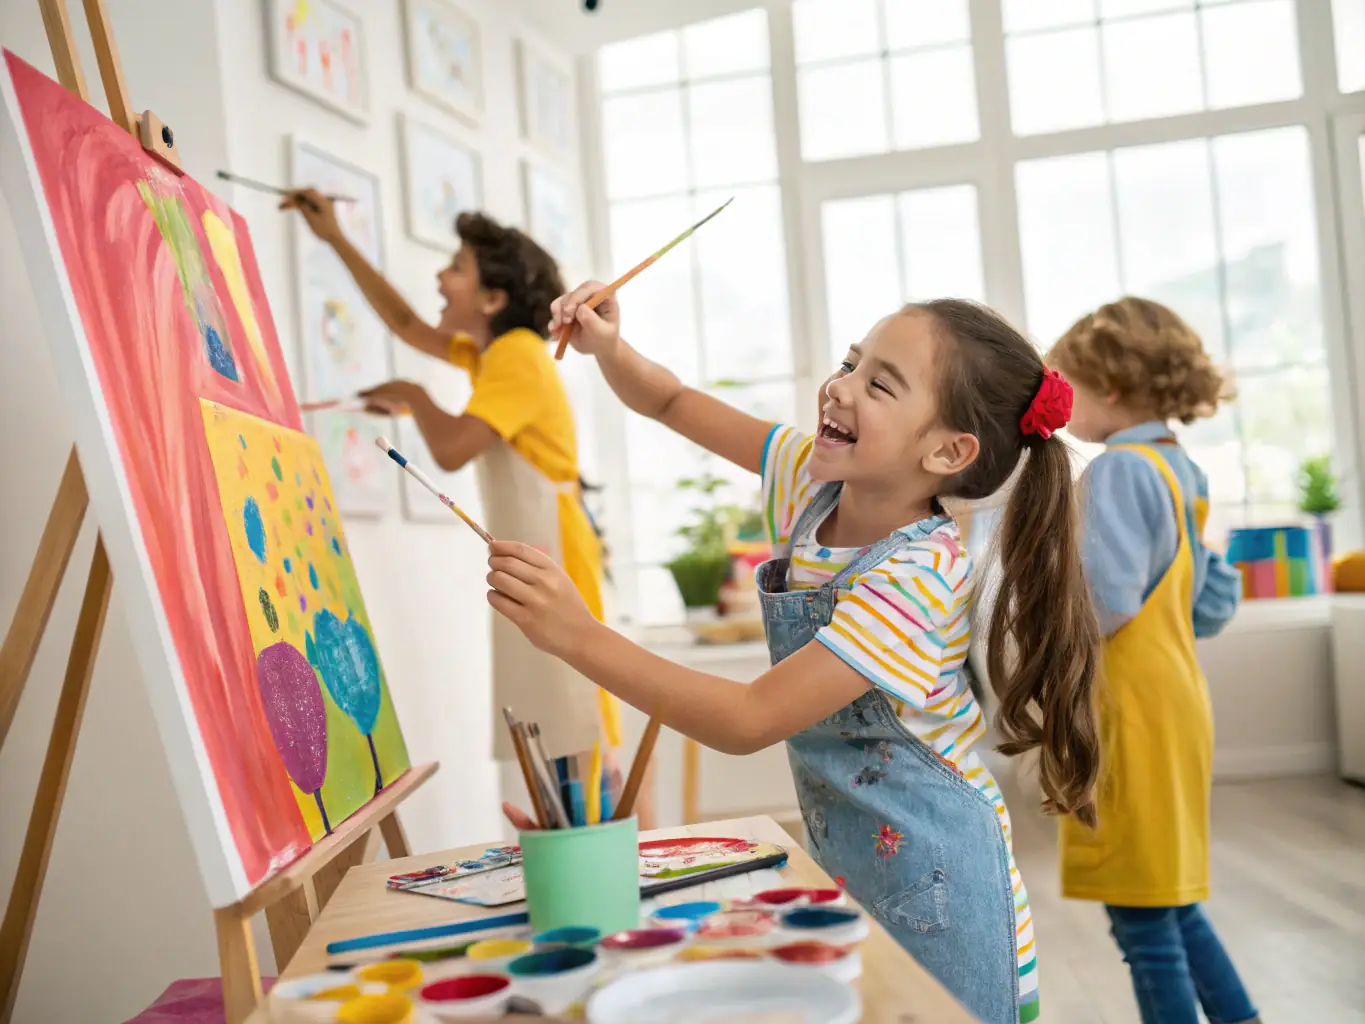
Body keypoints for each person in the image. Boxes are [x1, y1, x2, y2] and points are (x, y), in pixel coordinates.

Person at [487, 285, 1106, 1023]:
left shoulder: (916, 575)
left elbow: (750, 719)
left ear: (947, 451)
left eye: (878, 383)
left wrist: (577, 635)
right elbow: (672, 402)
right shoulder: (808, 478)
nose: (838, 386)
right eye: (851, 361)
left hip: (941, 885)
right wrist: (609, 349)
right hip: (850, 856)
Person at [281, 193, 649, 827]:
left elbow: (450, 450)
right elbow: (404, 322)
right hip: (536, 548)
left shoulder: (516, 358)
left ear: (492, 299)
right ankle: (595, 861)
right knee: (558, 721)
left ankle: (618, 863)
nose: (439, 277)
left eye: (456, 267)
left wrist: (415, 396)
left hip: (555, 550)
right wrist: (335, 236)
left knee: (577, 721)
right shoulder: (490, 352)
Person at [1048, 298, 1257, 1024]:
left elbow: (1103, 603)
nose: (1059, 399)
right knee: (1168, 901)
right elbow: (1209, 609)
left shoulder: (1114, 473)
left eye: (1065, 382)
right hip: (1174, 702)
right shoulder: (1178, 469)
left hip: (1126, 711)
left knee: (1142, 923)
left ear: (1108, 384)